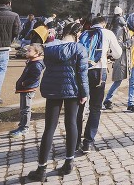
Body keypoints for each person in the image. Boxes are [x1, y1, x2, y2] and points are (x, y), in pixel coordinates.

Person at [25, 22, 88, 180]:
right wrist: (84, 93)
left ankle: (41, 169)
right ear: (76, 33)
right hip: (72, 89)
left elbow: (46, 65)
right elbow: (82, 73)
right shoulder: (79, 48)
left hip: (53, 88)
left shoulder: (50, 46)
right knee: (71, 123)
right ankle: (68, 163)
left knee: (49, 128)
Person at [76, 15, 122, 153]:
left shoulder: (84, 33)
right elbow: (118, 53)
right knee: (95, 107)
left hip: (82, 71)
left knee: (80, 105)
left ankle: (75, 139)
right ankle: (88, 142)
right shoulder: (108, 33)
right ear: (104, 24)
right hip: (98, 71)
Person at [103, 12, 134, 113]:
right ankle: (108, 100)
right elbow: (118, 45)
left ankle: (131, 103)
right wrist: (131, 42)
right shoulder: (123, 30)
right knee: (118, 81)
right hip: (124, 60)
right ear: (132, 21)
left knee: (133, 82)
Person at [9, 43, 45, 137]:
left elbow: (35, 77)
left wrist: (24, 83)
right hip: (25, 88)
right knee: (23, 109)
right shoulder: (32, 62)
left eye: (29, 51)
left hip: (28, 89)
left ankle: (24, 128)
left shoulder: (36, 65)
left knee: (25, 109)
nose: (27, 52)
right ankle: (21, 126)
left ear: (37, 53)